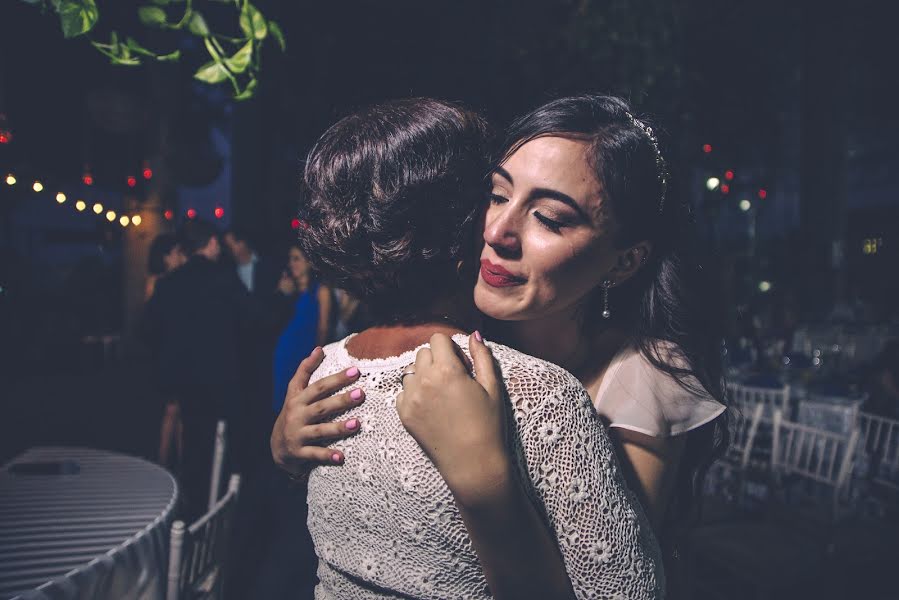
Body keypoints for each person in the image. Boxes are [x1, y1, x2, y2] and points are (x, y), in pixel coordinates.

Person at [271, 98, 664, 599]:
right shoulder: (534, 390)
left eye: (549, 217)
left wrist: (484, 475)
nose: (498, 230)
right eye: (496, 195)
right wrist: (283, 451)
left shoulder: (336, 362)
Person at [142, 219, 253, 519]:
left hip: (184, 379)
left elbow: (148, 331)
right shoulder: (223, 277)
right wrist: (282, 297)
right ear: (212, 243)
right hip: (221, 379)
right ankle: (221, 509)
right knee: (226, 447)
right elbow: (252, 320)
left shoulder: (168, 283)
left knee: (192, 443)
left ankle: (188, 508)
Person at [272, 243, 333, 413]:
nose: (292, 263)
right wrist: (283, 294)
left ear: (308, 262)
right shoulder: (288, 288)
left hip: (306, 354)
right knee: (282, 405)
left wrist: (318, 360)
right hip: (285, 352)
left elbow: (324, 328)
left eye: (297, 259)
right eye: (290, 259)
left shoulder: (321, 290)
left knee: (305, 404)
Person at [144, 232, 187, 468]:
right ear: (166, 257)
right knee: (173, 409)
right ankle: (164, 463)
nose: (181, 257)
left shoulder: (172, 280)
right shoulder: (158, 281)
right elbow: (152, 321)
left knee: (178, 410)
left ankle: (176, 462)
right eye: (176, 253)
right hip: (166, 352)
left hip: (171, 351)